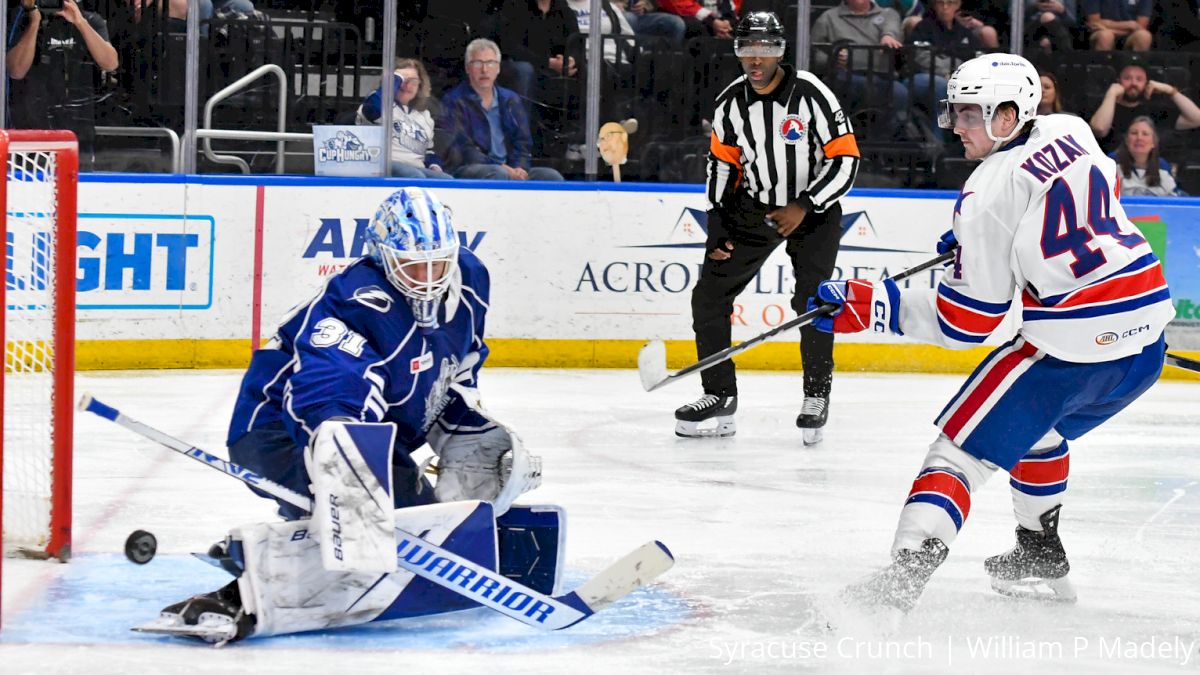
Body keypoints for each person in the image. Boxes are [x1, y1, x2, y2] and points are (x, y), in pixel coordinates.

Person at [810, 54, 1172, 614]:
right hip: (1146, 337)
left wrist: (872, 304)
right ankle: (1039, 552)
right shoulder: (1070, 126)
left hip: (1071, 348)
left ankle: (895, 589)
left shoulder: (984, 192)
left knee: (957, 455)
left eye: (970, 114)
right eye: (954, 111)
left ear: (1009, 114)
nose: (956, 125)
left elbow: (968, 321)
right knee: (1036, 430)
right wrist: (999, 246)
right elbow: (1099, 194)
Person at [144, 187, 543, 643]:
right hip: (279, 428)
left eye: (438, 263)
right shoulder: (357, 301)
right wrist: (347, 465)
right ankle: (241, 594)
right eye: (413, 266)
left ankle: (298, 535)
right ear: (382, 259)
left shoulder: (469, 276)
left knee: (420, 522)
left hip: (375, 430)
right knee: (378, 528)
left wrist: (467, 430)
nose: (429, 278)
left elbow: (454, 367)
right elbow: (333, 385)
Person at [675, 11, 860, 444]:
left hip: (814, 212)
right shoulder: (730, 102)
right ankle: (718, 393)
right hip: (753, 209)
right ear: (738, 52)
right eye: (747, 50)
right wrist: (717, 223)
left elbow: (846, 159)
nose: (756, 60)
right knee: (709, 296)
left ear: (781, 51)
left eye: (767, 50)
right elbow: (722, 164)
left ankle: (816, 394)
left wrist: (806, 203)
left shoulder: (812, 93)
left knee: (812, 300)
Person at [6, 0, 118, 171]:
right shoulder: (25, 20)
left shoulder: (91, 20)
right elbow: (16, 70)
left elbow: (110, 63)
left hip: (78, 134)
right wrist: (35, 20)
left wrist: (80, 23)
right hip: (32, 134)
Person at [439, 38, 566, 180]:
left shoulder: (510, 99)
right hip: (470, 167)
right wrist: (498, 166)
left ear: (498, 68)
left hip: (509, 168)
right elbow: (462, 148)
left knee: (551, 176)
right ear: (468, 68)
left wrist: (519, 168)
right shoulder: (454, 100)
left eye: (490, 63)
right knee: (498, 173)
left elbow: (523, 142)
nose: (484, 70)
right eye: (478, 63)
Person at [811, 0, 910, 137]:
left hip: (882, 77)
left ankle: (885, 142)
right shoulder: (828, 17)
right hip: (844, 76)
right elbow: (816, 56)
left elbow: (891, 29)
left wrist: (888, 36)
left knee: (901, 93)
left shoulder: (888, 14)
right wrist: (832, 59)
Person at [356, 58, 452, 179]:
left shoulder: (425, 116)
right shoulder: (376, 101)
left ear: (420, 86)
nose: (406, 85)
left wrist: (434, 165)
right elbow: (374, 110)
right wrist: (394, 79)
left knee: (446, 180)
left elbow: (428, 151)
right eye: (401, 80)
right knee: (415, 176)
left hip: (416, 167)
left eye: (413, 81)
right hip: (383, 165)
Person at [908, 0, 983, 140]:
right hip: (923, 78)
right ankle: (939, 141)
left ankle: (974, 144)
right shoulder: (924, 27)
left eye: (950, 3)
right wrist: (947, 73)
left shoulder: (964, 33)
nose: (945, 8)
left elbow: (978, 60)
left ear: (958, 5)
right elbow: (921, 57)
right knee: (942, 86)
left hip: (958, 80)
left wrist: (958, 76)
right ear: (935, 5)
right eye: (940, 3)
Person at [1088, 63, 1200, 151]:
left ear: (1147, 83)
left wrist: (1170, 90)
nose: (1133, 83)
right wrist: (1111, 94)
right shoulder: (1106, 106)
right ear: (1118, 81)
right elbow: (1100, 129)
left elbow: (1196, 119)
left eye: (1139, 79)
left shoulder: (1154, 110)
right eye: (1127, 78)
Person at [1109, 116, 1187, 196]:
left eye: (1145, 134)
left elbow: (1176, 197)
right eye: (1134, 133)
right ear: (1126, 140)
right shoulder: (1112, 162)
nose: (1139, 138)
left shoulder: (1163, 166)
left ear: (1153, 142)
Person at [1083, 0, 1153, 50]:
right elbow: (1094, 22)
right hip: (1100, 32)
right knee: (1106, 36)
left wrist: (1109, 28)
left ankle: (1136, 69)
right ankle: (1101, 69)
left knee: (1144, 36)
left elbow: (1141, 26)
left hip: (1130, 35)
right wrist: (1129, 24)